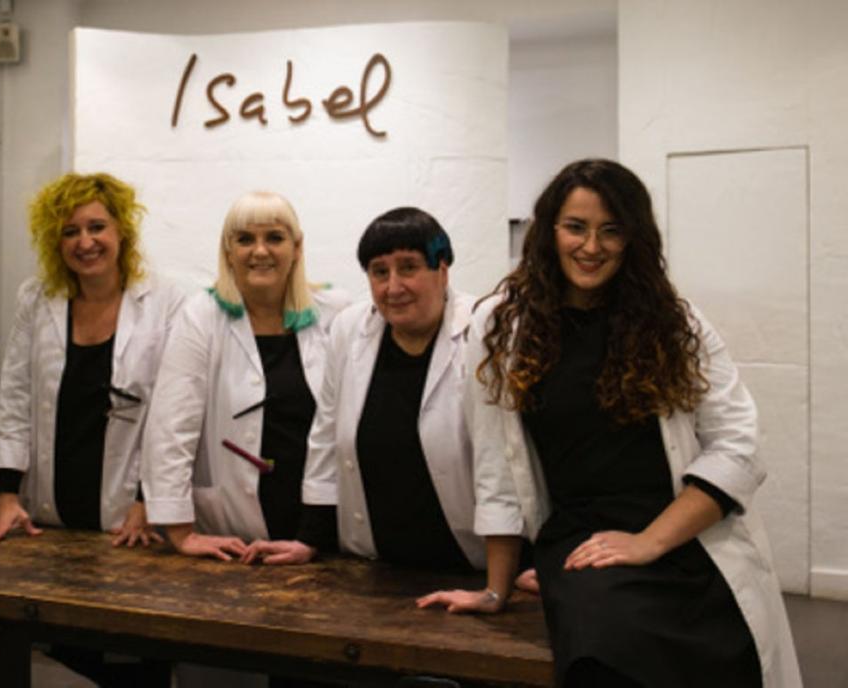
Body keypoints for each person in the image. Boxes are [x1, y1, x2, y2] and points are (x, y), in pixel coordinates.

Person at [418, 159, 801, 687]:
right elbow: (496, 467)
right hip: (585, 546)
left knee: (725, 650)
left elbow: (738, 447)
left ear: (633, 238)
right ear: (549, 231)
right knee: (610, 655)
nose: (591, 246)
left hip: (686, 539)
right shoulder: (502, 326)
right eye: (575, 227)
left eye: (611, 230)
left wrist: (650, 541)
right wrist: (494, 589)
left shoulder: (676, 323)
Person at [0, 172, 181, 687]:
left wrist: (149, 499)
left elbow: (173, 415)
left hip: (129, 515)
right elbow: (15, 397)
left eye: (96, 227)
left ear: (122, 230)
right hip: (53, 513)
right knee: (64, 650)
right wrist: (7, 495)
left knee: (131, 655)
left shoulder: (165, 302)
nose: (85, 242)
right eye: (69, 232)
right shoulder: (37, 299)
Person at [242, 207, 485, 573]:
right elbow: (325, 437)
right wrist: (310, 538)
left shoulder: (481, 330)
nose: (393, 287)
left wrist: (522, 561)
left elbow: (507, 459)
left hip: (470, 563)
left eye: (409, 267)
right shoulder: (350, 329)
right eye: (379, 272)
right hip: (375, 564)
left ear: (442, 269)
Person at [142, 190, 349, 561]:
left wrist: (317, 534)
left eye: (274, 237)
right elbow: (171, 426)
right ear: (228, 251)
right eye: (245, 239)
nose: (260, 251)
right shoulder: (201, 316)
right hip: (232, 539)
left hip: (322, 537)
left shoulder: (337, 314)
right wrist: (180, 533)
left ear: (297, 248)